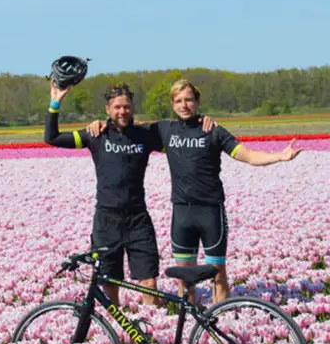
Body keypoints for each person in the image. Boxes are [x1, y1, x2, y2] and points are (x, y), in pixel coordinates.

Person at [86, 79, 302, 302]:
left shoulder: (213, 131)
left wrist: (278, 157)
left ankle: (223, 321)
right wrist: (100, 123)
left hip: (210, 211)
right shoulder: (164, 130)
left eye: (189, 100)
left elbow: (245, 155)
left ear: (197, 101)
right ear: (172, 104)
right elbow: (128, 125)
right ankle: (188, 328)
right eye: (178, 101)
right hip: (182, 213)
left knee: (218, 276)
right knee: (185, 279)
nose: (184, 105)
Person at [46, 81, 164, 307]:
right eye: (117, 107)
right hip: (107, 219)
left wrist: (202, 122)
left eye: (127, 107)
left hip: (138, 218)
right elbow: (52, 138)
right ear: (108, 110)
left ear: (133, 108)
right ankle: (115, 334)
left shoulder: (144, 135)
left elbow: (178, 140)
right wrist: (55, 103)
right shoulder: (96, 135)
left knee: (149, 280)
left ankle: (153, 329)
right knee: (109, 282)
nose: (122, 111)